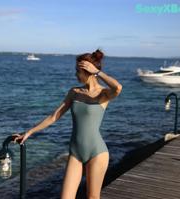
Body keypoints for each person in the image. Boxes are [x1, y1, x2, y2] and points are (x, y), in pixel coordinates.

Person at [12, 49, 122, 199]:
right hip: (75, 152)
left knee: (92, 197)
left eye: (78, 71)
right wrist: (30, 132)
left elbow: (118, 87)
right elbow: (54, 116)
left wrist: (97, 72)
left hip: (97, 152)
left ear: (87, 71)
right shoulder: (74, 92)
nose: (75, 74)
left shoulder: (103, 94)